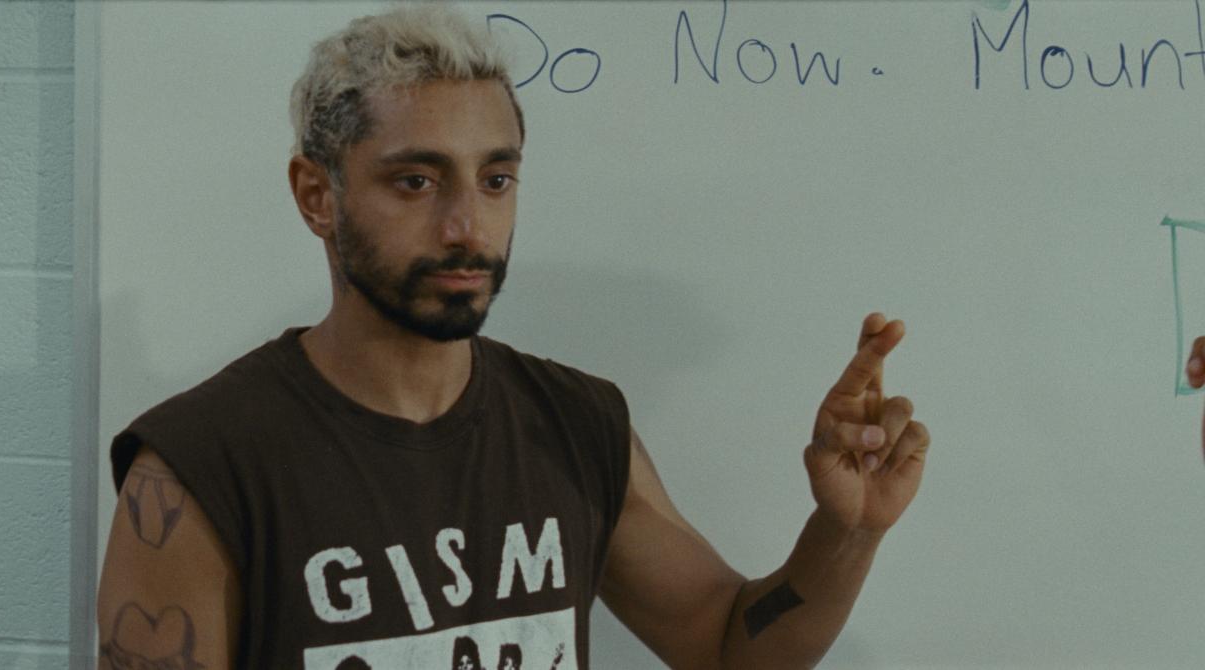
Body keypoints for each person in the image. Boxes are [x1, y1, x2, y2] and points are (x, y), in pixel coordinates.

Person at [96, 5, 930, 669]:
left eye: (496, 179)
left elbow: (724, 646)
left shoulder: (578, 424)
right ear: (318, 196)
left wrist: (848, 529)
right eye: (415, 181)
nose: (467, 226)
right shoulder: (201, 466)